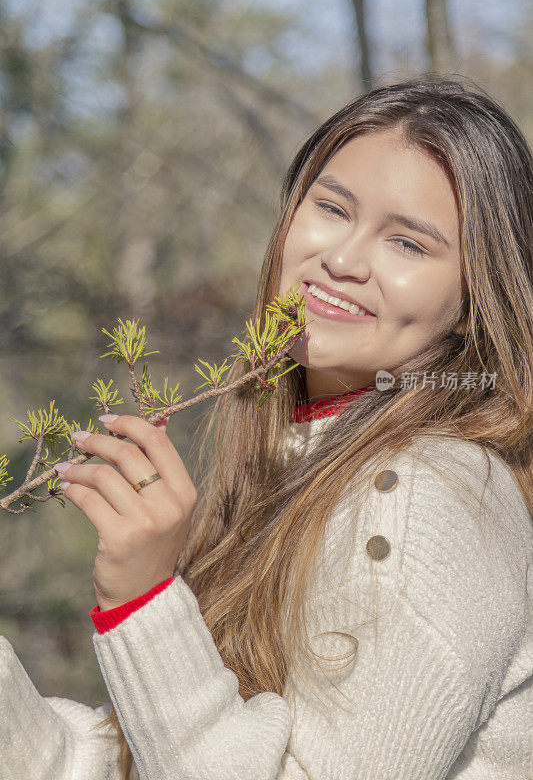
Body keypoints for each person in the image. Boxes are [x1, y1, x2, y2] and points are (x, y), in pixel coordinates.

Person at [1, 75, 532, 780]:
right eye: (331, 208)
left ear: (473, 300)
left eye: (407, 243)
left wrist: (144, 600)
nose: (341, 259)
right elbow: (138, 762)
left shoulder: (422, 494)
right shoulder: (296, 454)